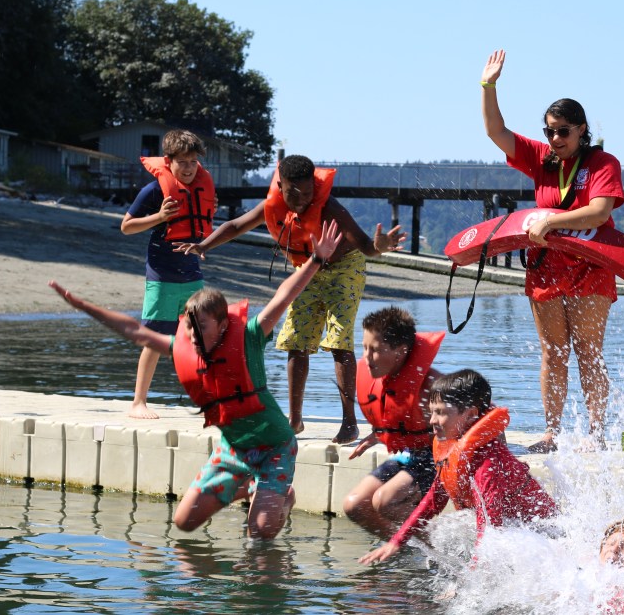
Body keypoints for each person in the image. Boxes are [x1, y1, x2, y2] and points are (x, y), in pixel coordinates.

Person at [48, 220, 342, 539]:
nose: (192, 333)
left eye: (201, 325)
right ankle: (249, 487)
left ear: (221, 324)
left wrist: (316, 258)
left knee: (260, 535)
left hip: (274, 445)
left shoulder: (250, 337)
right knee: (184, 523)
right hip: (235, 449)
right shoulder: (184, 348)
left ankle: (282, 496)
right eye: (189, 326)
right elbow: (135, 332)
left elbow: (284, 296)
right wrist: (82, 306)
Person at [177, 154, 405, 444]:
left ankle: (350, 422)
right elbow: (236, 225)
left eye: (307, 193)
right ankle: (295, 420)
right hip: (309, 268)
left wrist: (380, 245)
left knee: (338, 341)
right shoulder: (273, 205)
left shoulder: (330, 208)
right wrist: (203, 245)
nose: (300, 201)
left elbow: (366, 246)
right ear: (280, 185)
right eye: (292, 194)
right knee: (297, 342)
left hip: (345, 270)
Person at [480, 49, 624, 452]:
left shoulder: (602, 164)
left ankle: (596, 435)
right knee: (552, 352)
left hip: (591, 266)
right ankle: (552, 433)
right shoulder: (542, 160)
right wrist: (488, 85)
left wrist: (550, 221)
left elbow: (598, 212)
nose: (555, 139)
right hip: (545, 268)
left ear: (581, 130)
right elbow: (496, 131)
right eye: (549, 131)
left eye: (563, 131)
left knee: (587, 352)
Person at [358, 369, 557, 565]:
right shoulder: (454, 453)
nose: (432, 420)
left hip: (545, 537)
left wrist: (472, 575)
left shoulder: (488, 463)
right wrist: (396, 541)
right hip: (512, 529)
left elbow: (490, 529)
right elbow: (433, 499)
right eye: (431, 412)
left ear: (470, 414)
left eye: (440, 413)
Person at [121, 129, 214, 420]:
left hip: (192, 276)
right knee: (154, 338)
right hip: (161, 277)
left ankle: (205, 399)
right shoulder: (153, 191)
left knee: (200, 338)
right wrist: (160, 217)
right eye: (182, 162)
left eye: (193, 162)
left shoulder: (201, 187)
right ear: (168, 161)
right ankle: (139, 402)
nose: (188, 168)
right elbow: (127, 226)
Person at [342, 306, 444, 538]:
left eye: (376, 350)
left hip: (436, 459)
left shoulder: (432, 385)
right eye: (364, 347)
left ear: (400, 351)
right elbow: (403, 421)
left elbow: (482, 417)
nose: (366, 357)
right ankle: (402, 548)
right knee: (354, 505)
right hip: (410, 454)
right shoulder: (384, 378)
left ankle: (442, 550)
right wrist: (380, 433)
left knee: (385, 501)